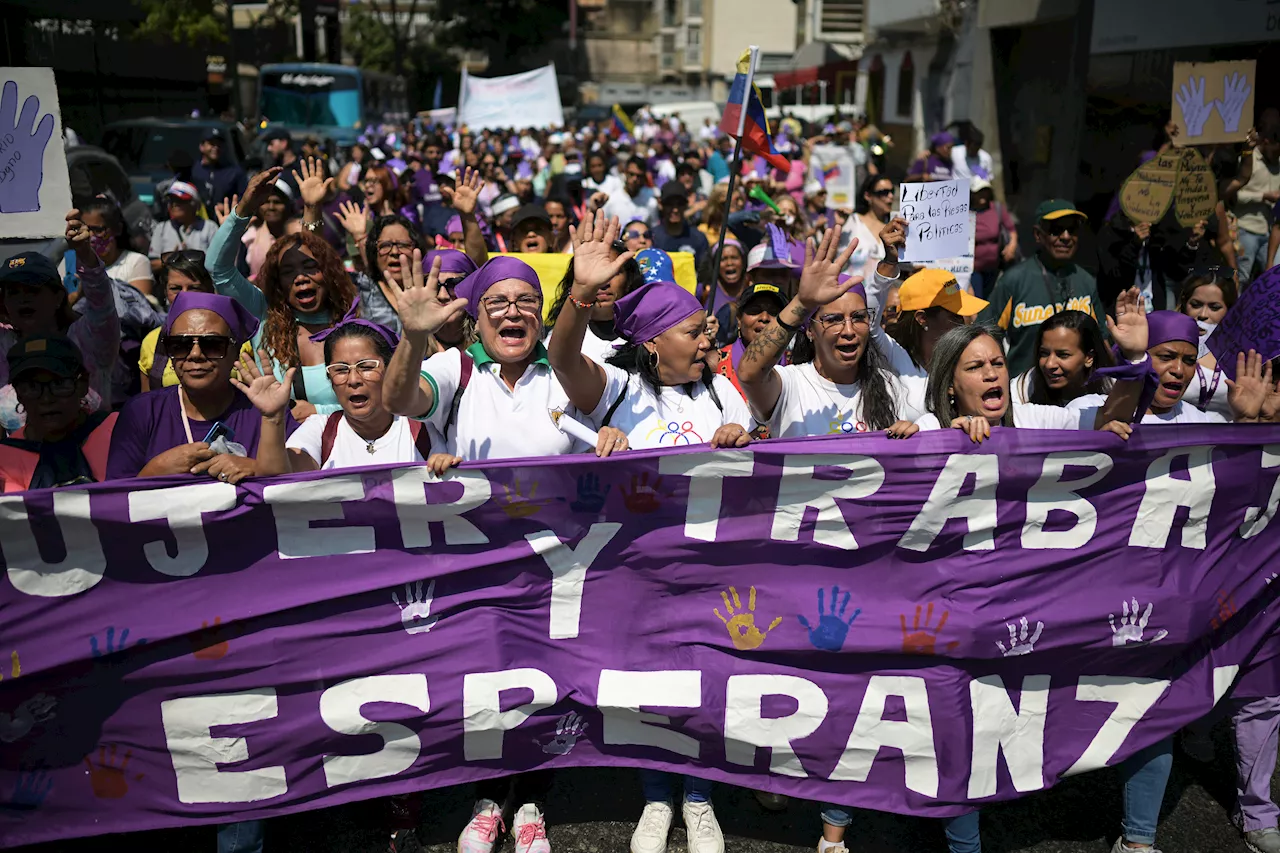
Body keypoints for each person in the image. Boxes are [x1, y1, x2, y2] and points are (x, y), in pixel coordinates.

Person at [548, 212, 745, 853]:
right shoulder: (617, 391)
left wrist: (741, 441)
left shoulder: (723, 395)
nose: (707, 341)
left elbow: (758, 473)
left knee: (705, 684)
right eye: (693, 332)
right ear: (656, 341)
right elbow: (561, 357)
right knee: (648, 686)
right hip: (635, 572)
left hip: (710, 571)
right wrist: (580, 294)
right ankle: (656, 796)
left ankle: (700, 795)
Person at [736, 224, 921, 441]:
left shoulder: (889, 386)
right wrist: (802, 302)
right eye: (833, 320)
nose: (849, 330)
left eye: (859, 317)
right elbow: (749, 373)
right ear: (810, 331)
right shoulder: (790, 385)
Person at [209, 166, 358, 421]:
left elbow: (376, 401)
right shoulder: (263, 313)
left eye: (311, 269)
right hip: (275, 447)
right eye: (288, 271)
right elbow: (217, 268)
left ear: (329, 274)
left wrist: (319, 412)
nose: (301, 278)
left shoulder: (350, 322)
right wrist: (244, 209)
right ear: (277, 282)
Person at [106, 291, 299, 482]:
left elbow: (298, 489)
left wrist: (257, 468)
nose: (195, 354)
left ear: (236, 351)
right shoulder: (142, 412)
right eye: (180, 345)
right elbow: (111, 501)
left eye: (212, 344)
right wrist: (155, 470)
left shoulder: (265, 411)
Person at [1, 215, 121, 434]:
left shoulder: (89, 337)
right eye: (13, 293)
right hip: (22, 466)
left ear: (58, 297)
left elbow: (102, 303)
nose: (23, 299)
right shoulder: (4, 344)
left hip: (90, 460)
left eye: (33, 290)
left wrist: (84, 253)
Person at [976, 199, 1103, 376]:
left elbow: (1102, 341)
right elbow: (980, 337)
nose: (1065, 237)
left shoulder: (1086, 281)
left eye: (1072, 230)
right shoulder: (1014, 280)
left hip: (1077, 394)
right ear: (1038, 234)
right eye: (1056, 230)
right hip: (1025, 394)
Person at [0, 335, 117, 492]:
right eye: (32, 387)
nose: (47, 399)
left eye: (59, 384)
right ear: (19, 394)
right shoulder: (5, 458)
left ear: (82, 385)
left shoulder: (119, 431)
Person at [139, 253, 249, 392]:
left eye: (194, 288)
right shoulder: (152, 341)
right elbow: (148, 402)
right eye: (175, 288)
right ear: (165, 292)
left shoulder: (238, 337)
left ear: (210, 290)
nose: (184, 295)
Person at [544, 248, 642, 364]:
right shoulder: (555, 341)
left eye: (614, 272)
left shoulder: (649, 338)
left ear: (629, 279)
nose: (604, 282)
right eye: (594, 272)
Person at [1095, 212, 1205, 315]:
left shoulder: (1159, 232)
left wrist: (1191, 244)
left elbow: (1176, 273)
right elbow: (1114, 277)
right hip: (1123, 312)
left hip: (1156, 310)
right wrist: (1135, 244)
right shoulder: (1110, 233)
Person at [1011, 310, 1114, 405]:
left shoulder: (1114, 389)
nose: (1049, 364)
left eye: (1063, 355)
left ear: (1089, 358)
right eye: (1044, 353)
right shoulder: (1022, 389)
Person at [67, 196, 153, 296]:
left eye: (98, 230)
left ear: (117, 229)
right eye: (85, 230)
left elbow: (138, 308)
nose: (90, 236)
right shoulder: (70, 261)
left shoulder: (136, 262)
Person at [713, 281, 786, 397]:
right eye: (755, 310)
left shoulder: (796, 364)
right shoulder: (714, 363)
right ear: (739, 319)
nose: (764, 318)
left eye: (774, 312)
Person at [1231, 125, 1280, 283]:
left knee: (1273, 278)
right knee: (1241, 278)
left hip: (1269, 231)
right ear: (1266, 142)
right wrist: (1263, 196)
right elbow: (1233, 196)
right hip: (1245, 229)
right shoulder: (1248, 160)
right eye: (1276, 150)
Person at [149, 181, 217, 273]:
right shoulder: (161, 228)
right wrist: (172, 259)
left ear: (195, 205)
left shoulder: (209, 227)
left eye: (180, 201)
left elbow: (216, 263)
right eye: (171, 201)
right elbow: (152, 264)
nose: (174, 204)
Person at [969, 178, 1017, 299]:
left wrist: (1011, 246)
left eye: (985, 191)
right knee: (976, 301)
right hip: (973, 268)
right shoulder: (965, 211)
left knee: (989, 299)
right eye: (979, 191)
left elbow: (1012, 230)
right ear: (972, 193)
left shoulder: (997, 208)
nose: (983, 194)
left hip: (993, 267)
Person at [241, 181, 296, 281]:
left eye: (277, 202)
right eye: (266, 202)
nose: (271, 207)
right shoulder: (249, 237)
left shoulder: (297, 233)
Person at [846, 174, 892, 283]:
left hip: (885, 295)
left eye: (892, 191)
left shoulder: (894, 225)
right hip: (853, 292)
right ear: (868, 196)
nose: (890, 196)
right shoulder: (853, 221)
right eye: (883, 192)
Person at [652, 181, 710, 267]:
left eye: (680, 204)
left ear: (686, 205)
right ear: (661, 205)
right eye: (669, 204)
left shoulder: (698, 238)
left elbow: (704, 272)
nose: (675, 210)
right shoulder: (653, 237)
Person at [192, 129, 248, 209]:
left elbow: (244, 198)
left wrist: (227, 206)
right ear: (202, 146)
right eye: (212, 144)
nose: (216, 147)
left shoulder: (234, 172)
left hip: (225, 218)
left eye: (219, 144)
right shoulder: (192, 170)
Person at [602, 158, 659, 227]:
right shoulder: (611, 200)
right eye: (631, 174)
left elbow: (654, 229)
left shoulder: (651, 203)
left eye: (639, 176)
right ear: (625, 173)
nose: (635, 179)